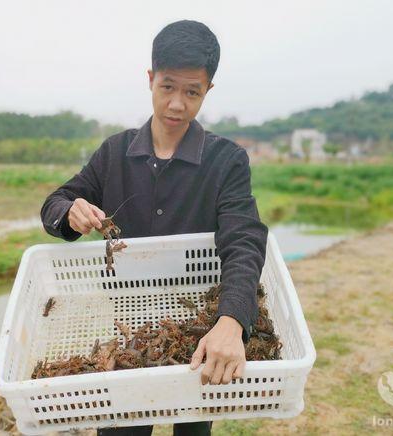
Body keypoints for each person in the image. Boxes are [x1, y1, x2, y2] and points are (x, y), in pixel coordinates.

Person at [40, 19, 268, 436]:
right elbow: (54, 204)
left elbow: (244, 239)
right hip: (128, 326)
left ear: (207, 91)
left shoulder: (227, 161)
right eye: (168, 87)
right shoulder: (114, 153)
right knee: (121, 428)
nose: (177, 104)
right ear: (150, 79)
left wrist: (232, 321)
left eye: (191, 91)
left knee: (194, 429)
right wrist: (70, 210)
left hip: (202, 327)